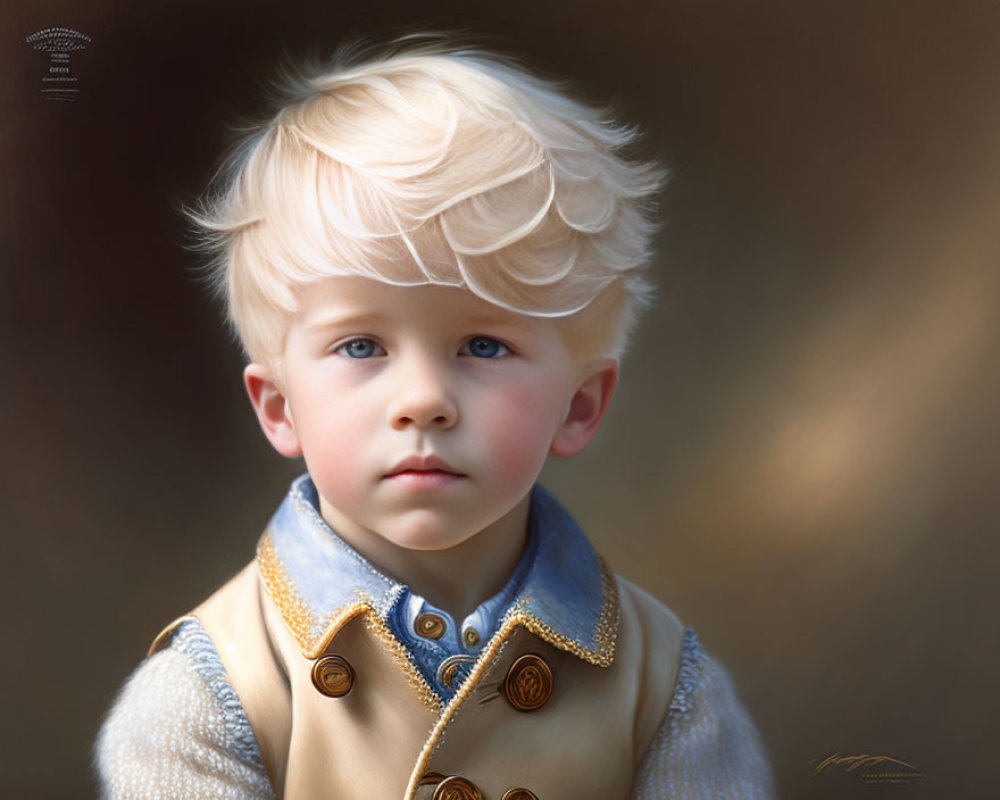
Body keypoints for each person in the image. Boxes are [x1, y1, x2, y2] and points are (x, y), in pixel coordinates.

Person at [95, 38, 775, 799]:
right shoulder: (202, 696)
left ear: (579, 407)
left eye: (483, 344)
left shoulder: (669, 693)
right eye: (361, 345)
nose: (423, 399)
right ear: (280, 408)